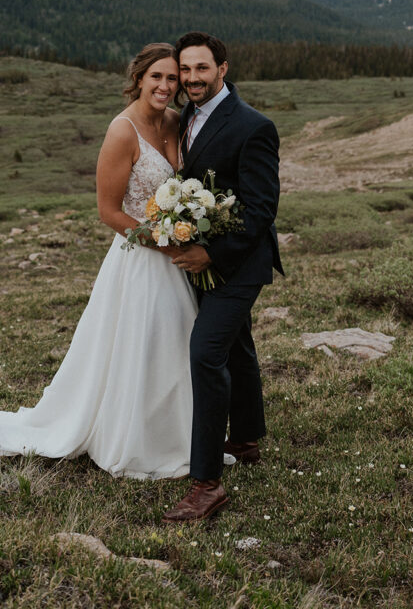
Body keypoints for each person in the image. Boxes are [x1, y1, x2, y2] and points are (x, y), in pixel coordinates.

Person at [0, 43, 199, 479]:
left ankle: (176, 434)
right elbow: (109, 211)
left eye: (172, 78)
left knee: (174, 344)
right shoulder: (122, 131)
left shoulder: (177, 122)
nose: (165, 86)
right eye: (156, 77)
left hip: (176, 256)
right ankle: (130, 438)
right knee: (138, 345)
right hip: (141, 257)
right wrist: (162, 242)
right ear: (139, 78)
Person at [162, 31, 282, 522]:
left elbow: (261, 208)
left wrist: (211, 255)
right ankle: (247, 438)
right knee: (237, 344)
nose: (191, 79)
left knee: (206, 353)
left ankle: (206, 484)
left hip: (240, 262)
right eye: (184, 70)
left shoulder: (253, 126)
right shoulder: (185, 117)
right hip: (207, 257)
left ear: (223, 69)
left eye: (201, 69)